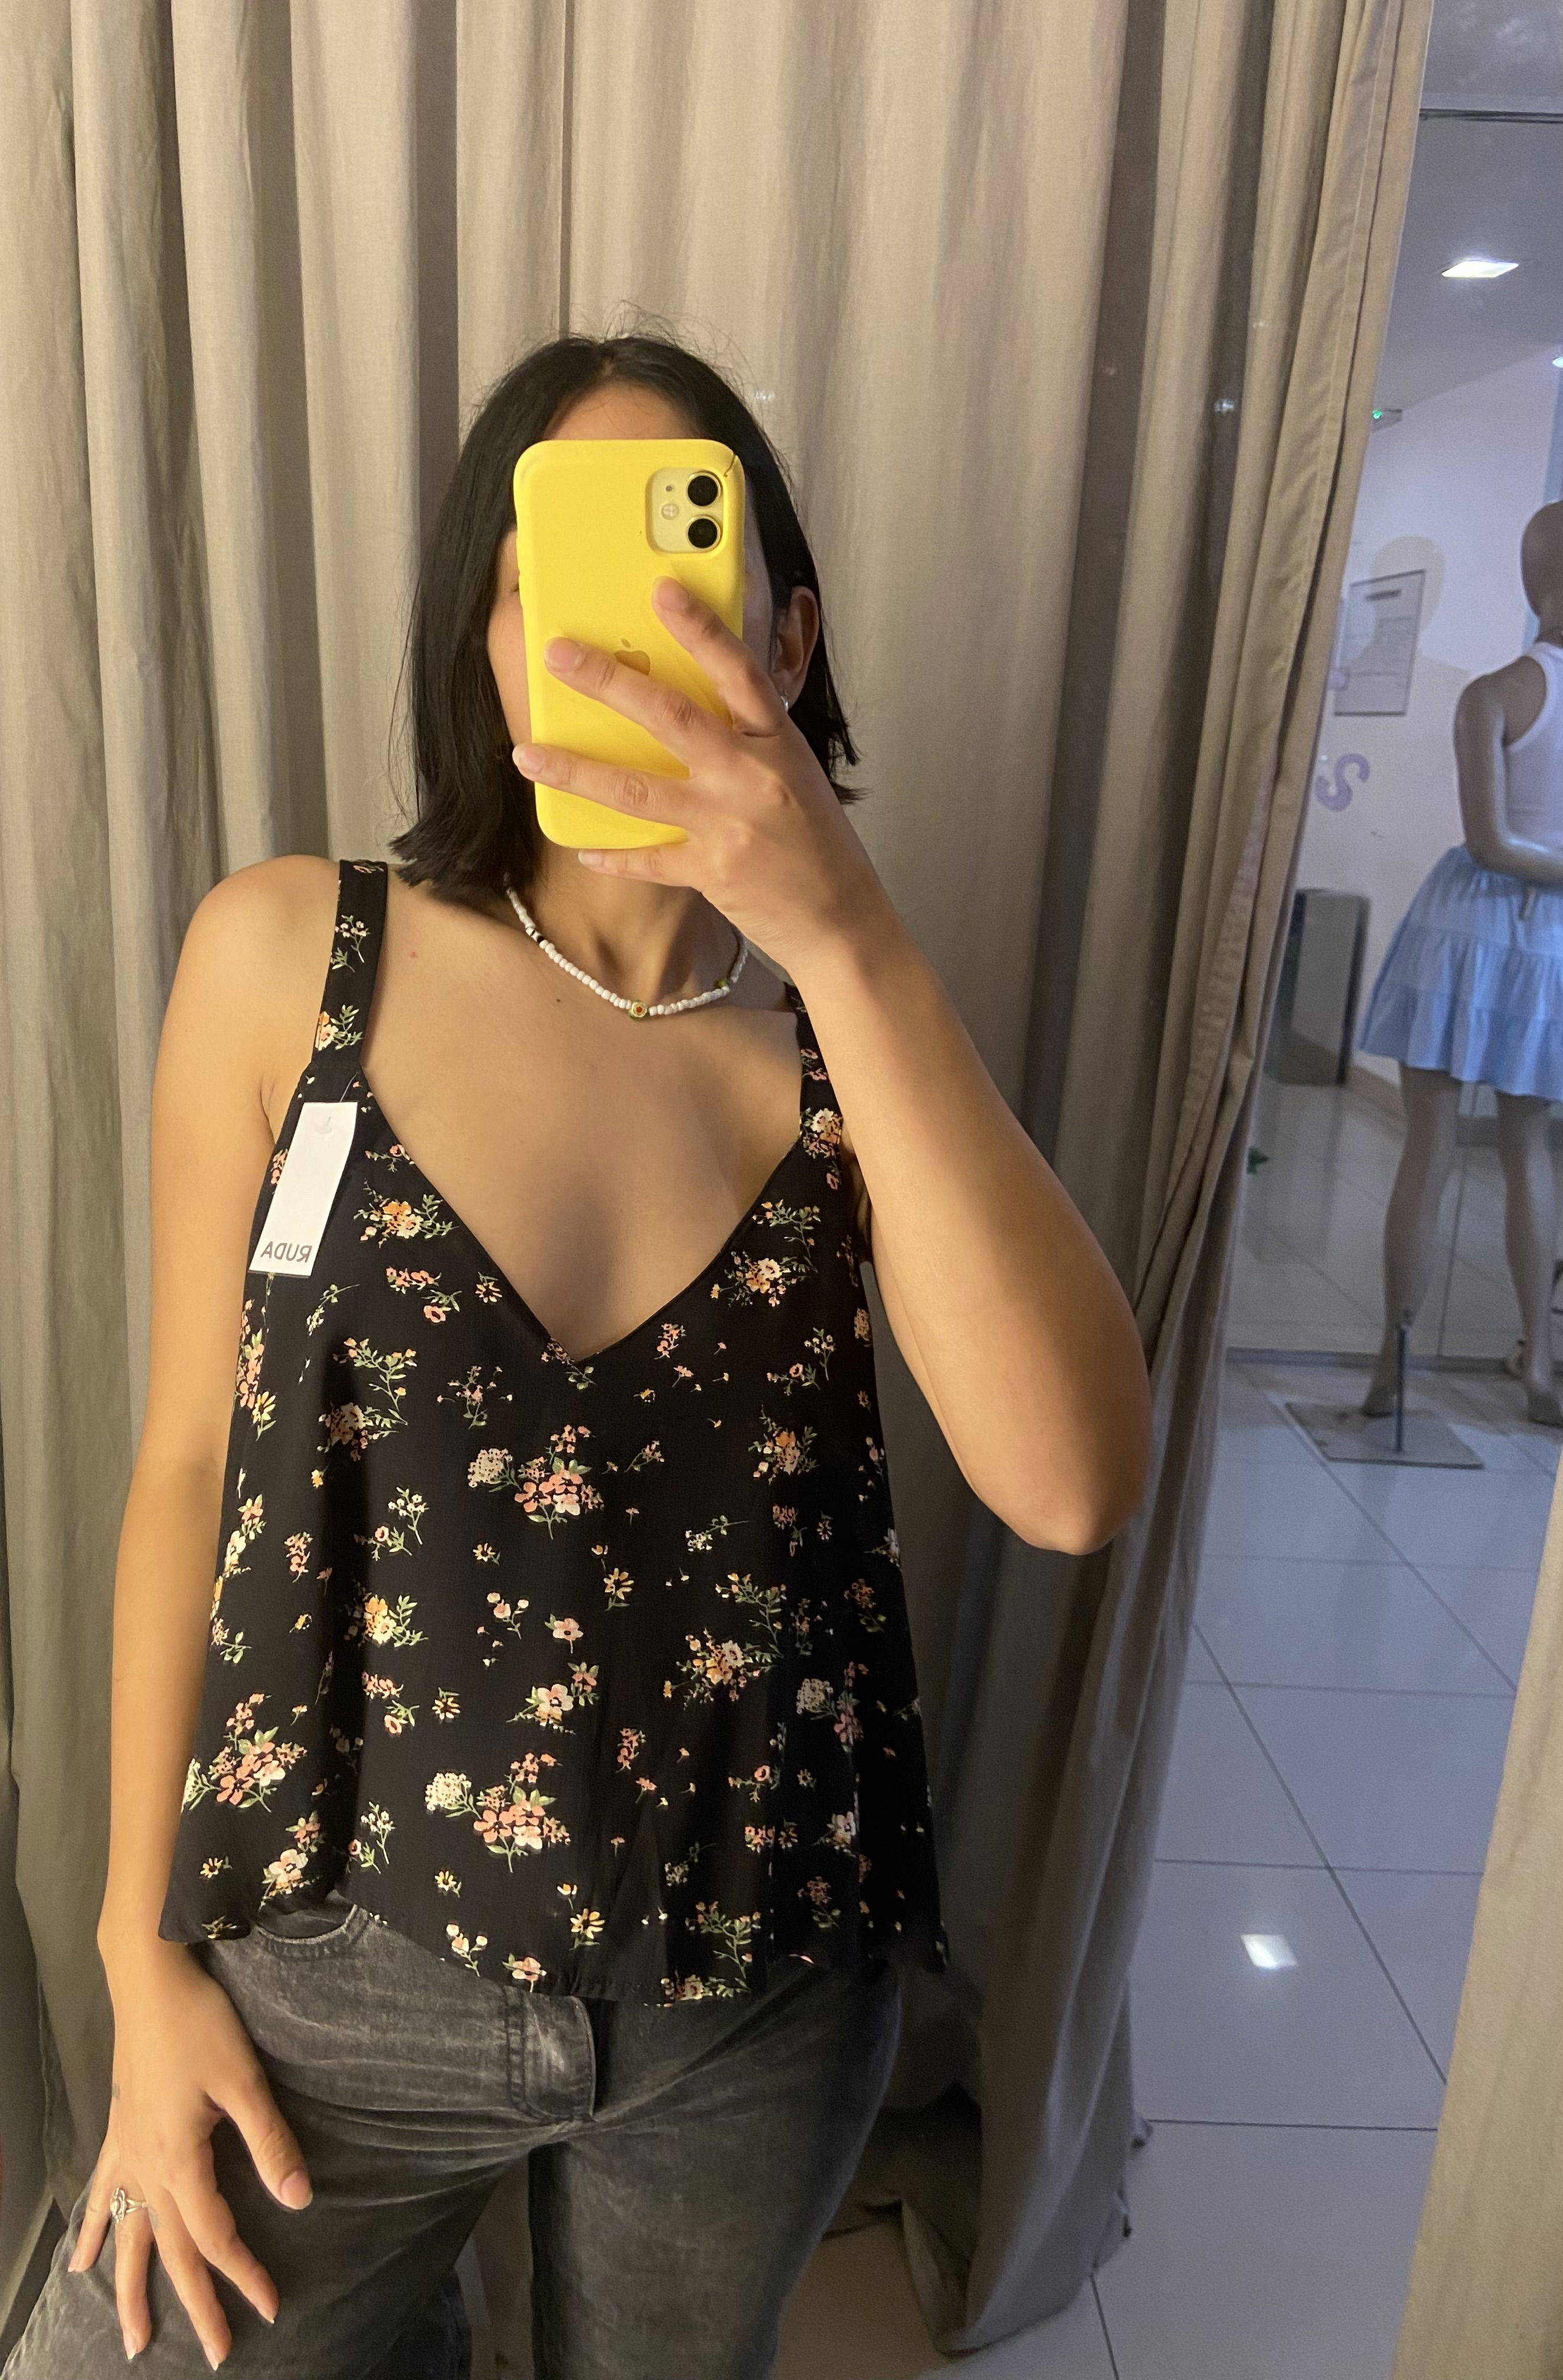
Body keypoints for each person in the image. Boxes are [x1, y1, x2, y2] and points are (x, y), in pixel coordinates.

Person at [5, 333, 1149, 2380]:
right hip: (330, 1967)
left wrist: (846, 929)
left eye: (680, 571)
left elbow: (1072, 1484)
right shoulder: (290, 956)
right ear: (488, 637)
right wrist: (138, 1955)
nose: (617, 638)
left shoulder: (846, 1053)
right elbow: (187, 1463)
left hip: (752, 1999)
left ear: (784, 641)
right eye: (553, 576)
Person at [1359, 500, 1563, 1427]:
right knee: (1526, 1151)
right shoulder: (1491, 692)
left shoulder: (1494, 693)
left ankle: (1393, 1363)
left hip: (1468, 929)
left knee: (1432, 1144)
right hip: (1547, 943)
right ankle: (1537, 1368)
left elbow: (1488, 844)